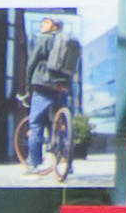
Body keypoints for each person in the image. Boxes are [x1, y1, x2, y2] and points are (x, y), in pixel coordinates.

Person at [20, 16, 82, 177]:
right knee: (60, 124)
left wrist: (28, 86)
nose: (42, 25)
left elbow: (31, 63)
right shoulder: (67, 42)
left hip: (43, 85)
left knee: (36, 125)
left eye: (45, 23)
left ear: (53, 26)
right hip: (61, 87)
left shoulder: (44, 40)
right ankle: (67, 163)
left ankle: (33, 165)